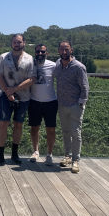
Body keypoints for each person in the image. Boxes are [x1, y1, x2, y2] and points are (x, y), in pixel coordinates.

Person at [0, 33, 35, 166]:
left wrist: (14, 89)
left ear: (24, 43)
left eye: (19, 42)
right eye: (14, 42)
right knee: (3, 124)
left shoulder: (30, 59)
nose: (17, 44)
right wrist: (7, 91)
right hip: (6, 96)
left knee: (18, 125)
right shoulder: (4, 57)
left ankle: (14, 153)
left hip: (23, 97)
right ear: (11, 43)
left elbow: (32, 79)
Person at [53, 40, 89, 173]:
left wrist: (81, 103)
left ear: (71, 50)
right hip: (62, 104)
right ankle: (67, 156)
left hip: (75, 105)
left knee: (76, 133)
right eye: (61, 49)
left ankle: (76, 160)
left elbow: (85, 87)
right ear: (58, 51)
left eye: (66, 49)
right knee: (66, 132)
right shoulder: (58, 64)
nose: (64, 52)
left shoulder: (78, 67)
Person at [28, 44, 57, 165]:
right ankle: (36, 151)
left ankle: (49, 154)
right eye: (38, 51)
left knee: (50, 129)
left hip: (50, 102)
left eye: (43, 52)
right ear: (35, 52)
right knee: (34, 128)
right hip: (34, 101)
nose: (40, 54)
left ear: (47, 53)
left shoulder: (53, 65)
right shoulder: (30, 64)